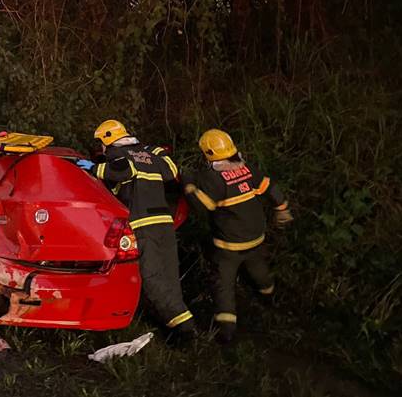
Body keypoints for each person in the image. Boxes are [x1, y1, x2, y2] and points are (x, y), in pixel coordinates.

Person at [77, 120, 196, 341]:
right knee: (169, 274)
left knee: (150, 277)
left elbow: (123, 171)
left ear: (108, 140)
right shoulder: (149, 154)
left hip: (144, 224)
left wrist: (94, 169)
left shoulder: (118, 154)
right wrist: (157, 151)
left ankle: (184, 327)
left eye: (102, 144)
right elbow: (171, 172)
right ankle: (178, 322)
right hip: (164, 224)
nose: (102, 149)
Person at [182, 129, 293, 343]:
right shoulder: (247, 168)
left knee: (223, 283)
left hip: (229, 246)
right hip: (256, 238)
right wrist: (282, 208)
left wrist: (188, 185)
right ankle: (269, 297)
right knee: (258, 268)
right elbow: (269, 188)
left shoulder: (213, 178)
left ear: (209, 153)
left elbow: (202, 206)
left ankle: (226, 330)